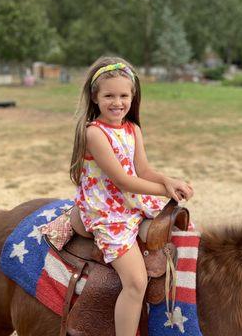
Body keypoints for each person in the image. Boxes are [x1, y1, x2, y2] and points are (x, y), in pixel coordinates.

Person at [70, 56, 193, 336]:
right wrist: (166, 190)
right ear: (95, 97)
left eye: (124, 95)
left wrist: (169, 180)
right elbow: (123, 180)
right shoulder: (94, 133)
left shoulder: (132, 129)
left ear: (133, 96)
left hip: (130, 201)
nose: (117, 102)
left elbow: (144, 170)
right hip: (107, 209)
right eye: (109, 95)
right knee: (135, 281)